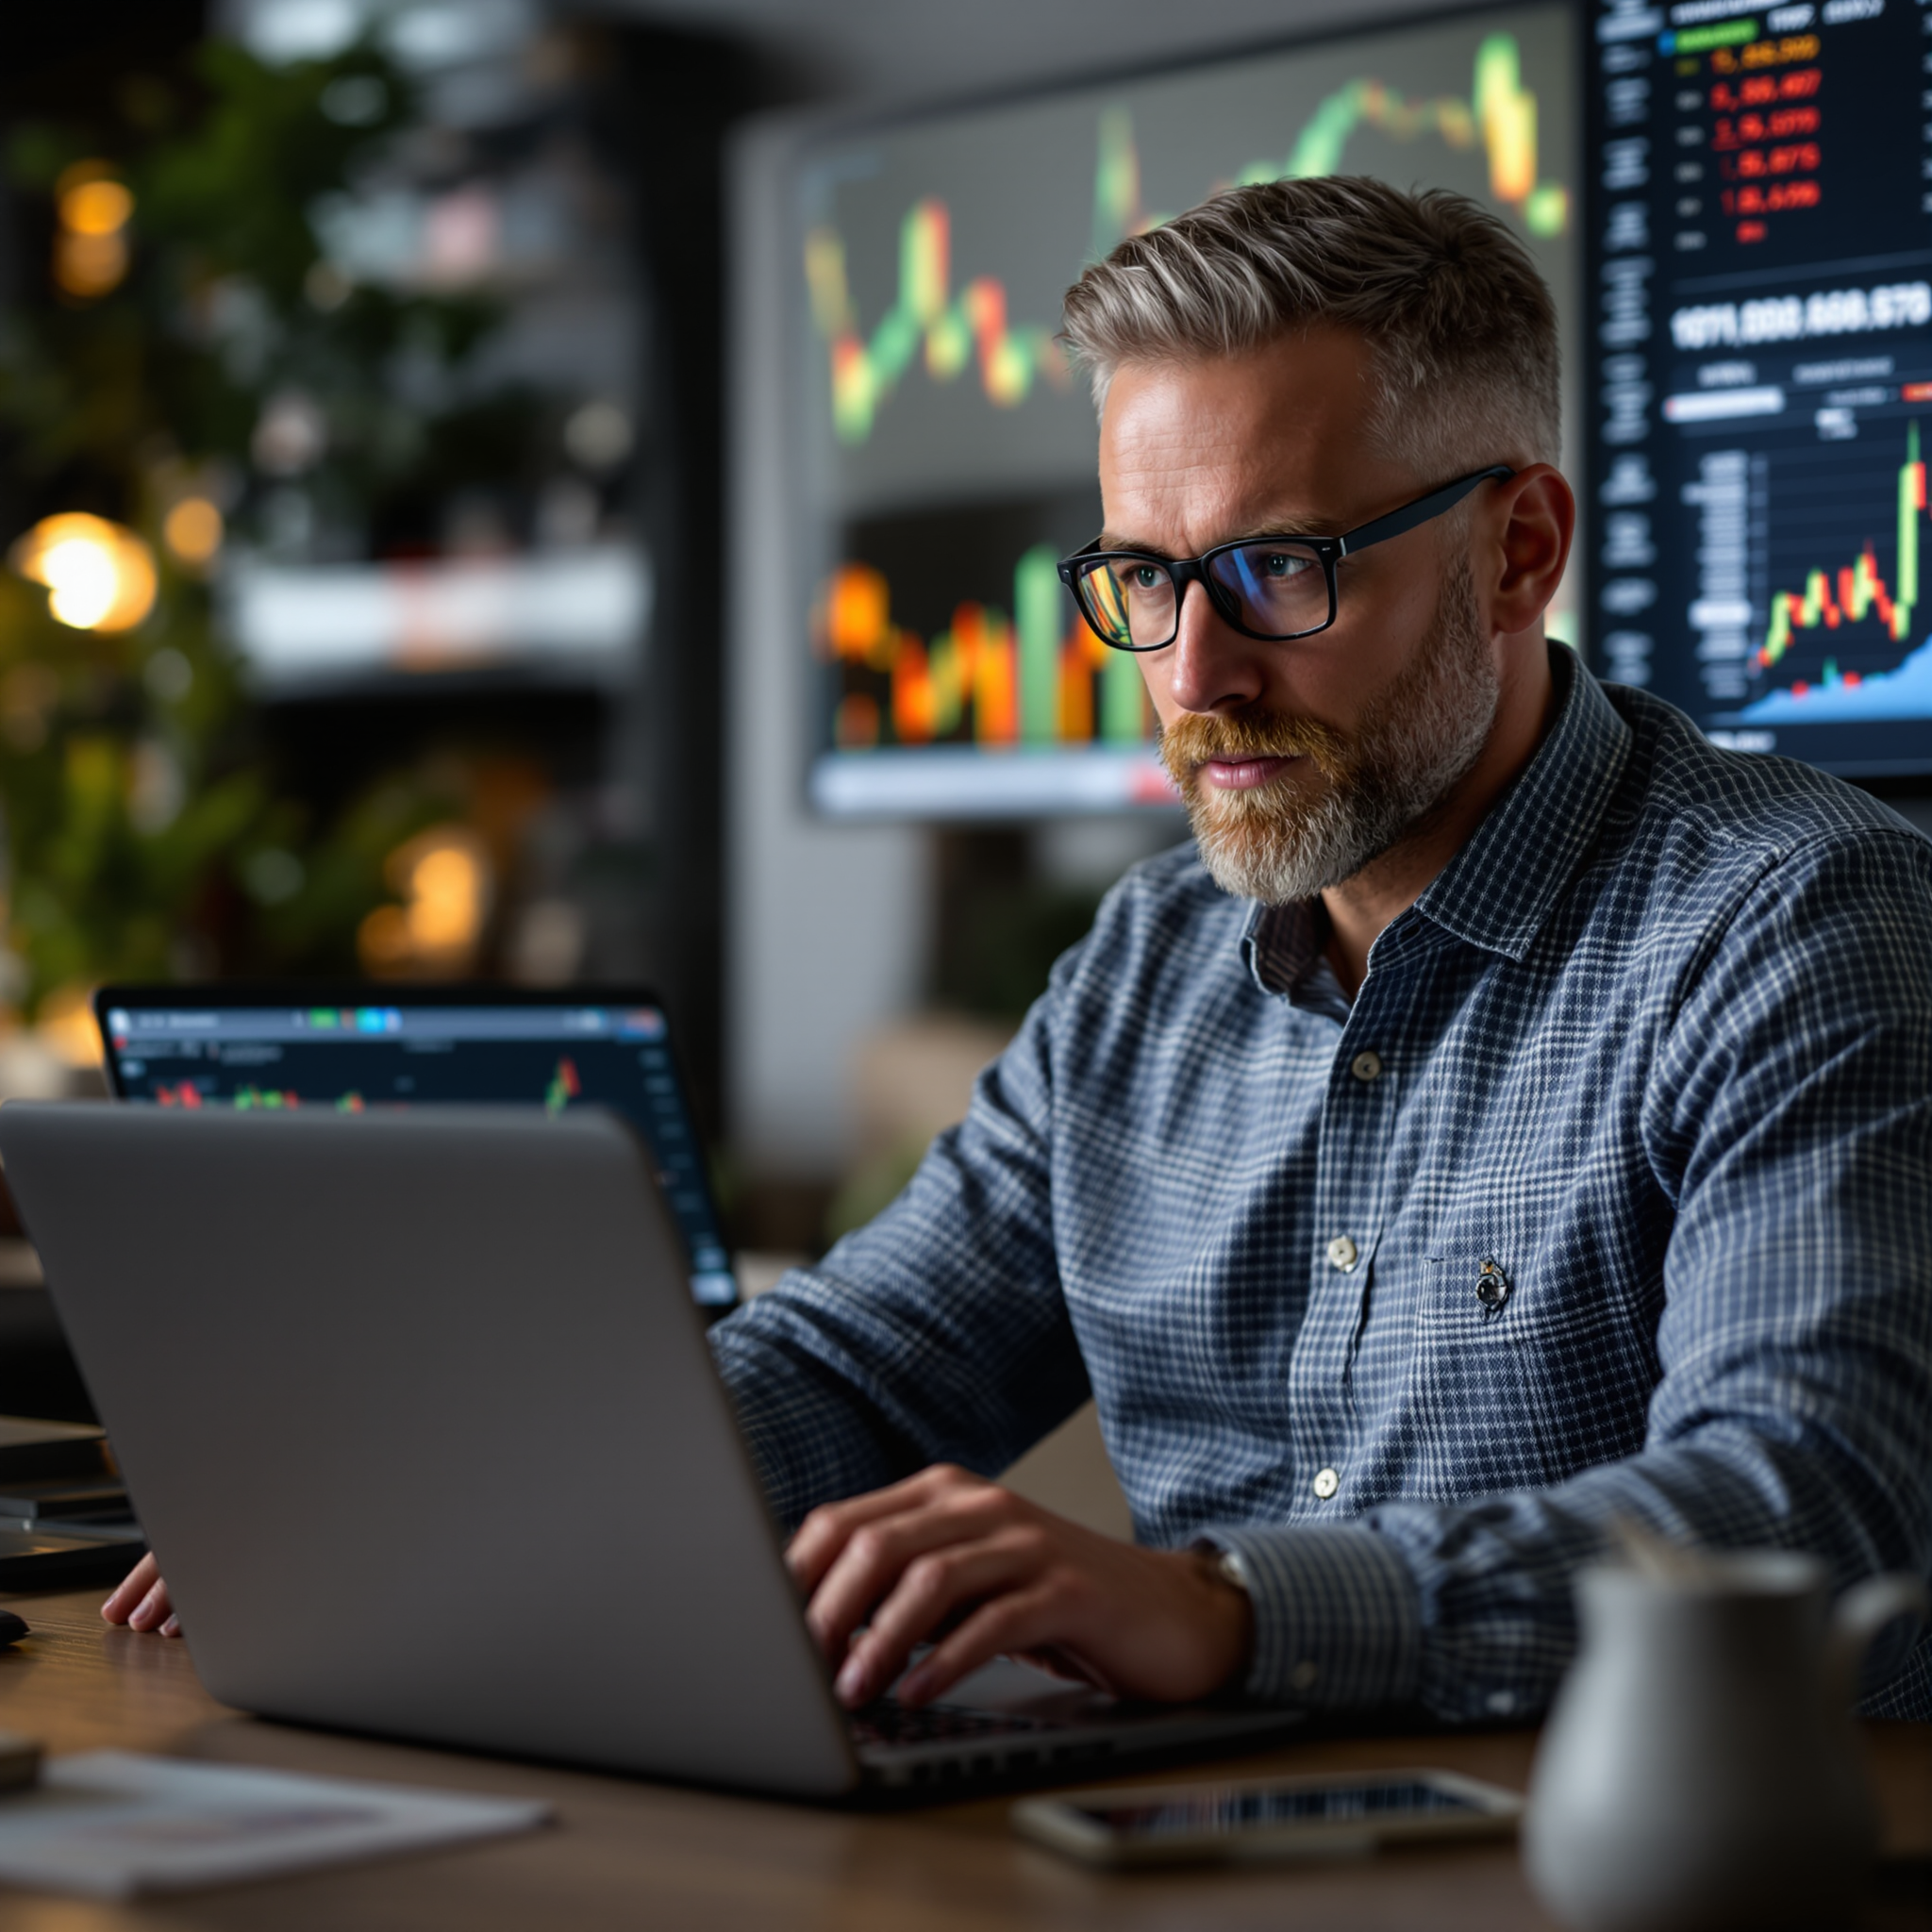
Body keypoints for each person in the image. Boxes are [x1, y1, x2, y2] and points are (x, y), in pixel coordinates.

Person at [107, 177, 1932, 1722]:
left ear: (1518, 549)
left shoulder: (1793, 929)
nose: (1195, 677)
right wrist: (424, 1504)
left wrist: (1226, 1610)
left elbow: (1814, 1504)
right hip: (1200, 1854)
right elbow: (858, 1365)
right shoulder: (1150, 962)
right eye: (1147, 578)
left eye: (1282, 570)